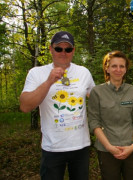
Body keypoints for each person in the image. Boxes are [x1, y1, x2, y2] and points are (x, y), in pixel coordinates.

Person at [19, 31, 95, 180]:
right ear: (51, 49)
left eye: (68, 49)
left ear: (73, 51)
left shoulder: (83, 72)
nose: (63, 53)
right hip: (52, 147)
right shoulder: (36, 73)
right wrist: (48, 82)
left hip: (80, 146)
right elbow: (25, 106)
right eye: (59, 48)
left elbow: (97, 100)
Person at [88, 51, 133, 180]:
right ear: (107, 68)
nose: (118, 69)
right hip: (107, 150)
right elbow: (94, 122)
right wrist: (109, 147)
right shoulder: (97, 92)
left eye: (122, 66)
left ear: (125, 69)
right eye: (114, 66)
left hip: (131, 149)